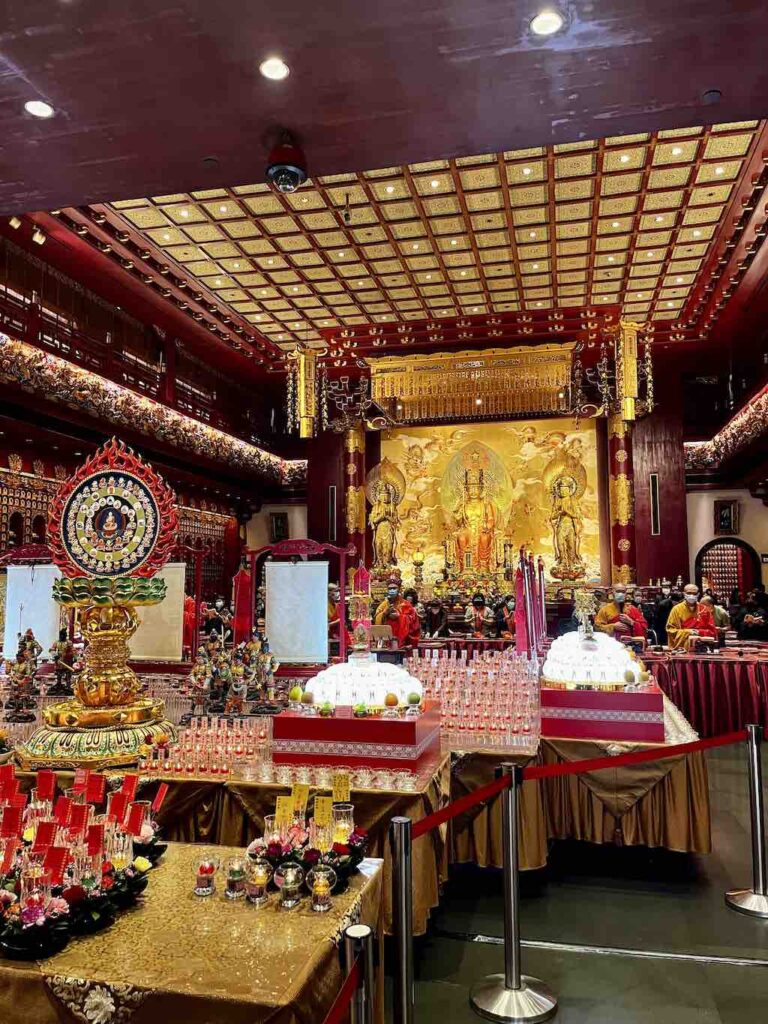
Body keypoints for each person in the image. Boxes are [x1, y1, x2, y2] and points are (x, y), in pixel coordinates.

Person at [666, 584, 718, 651]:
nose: (691, 596)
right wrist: (688, 632)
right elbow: (671, 630)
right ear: (684, 594)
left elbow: (712, 632)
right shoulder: (676, 609)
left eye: (694, 593)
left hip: (703, 649)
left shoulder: (704, 610)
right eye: (689, 593)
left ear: (698, 594)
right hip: (682, 649)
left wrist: (698, 632)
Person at [373, 576, 421, 648]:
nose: (392, 590)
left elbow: (414, 622)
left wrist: (399, 616)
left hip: (402, 641)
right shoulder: (383, 605)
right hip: (387, 641)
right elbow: (376, 619)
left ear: (399, 589)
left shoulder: (406, 604)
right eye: (390, 588)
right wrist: (385, 614)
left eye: (394, 588)